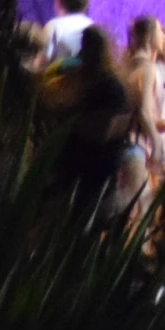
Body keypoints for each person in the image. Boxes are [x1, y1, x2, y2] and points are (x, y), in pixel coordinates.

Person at [49, 24, 134, 217]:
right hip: (76, 176)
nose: (81, 52)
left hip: (94, 179)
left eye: (86, 46)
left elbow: (106, 129)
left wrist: (69, 118)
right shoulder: (88, 81)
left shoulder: (110, 87)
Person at [121, 14, 165, 178]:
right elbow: (144, 111)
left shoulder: (128, 66)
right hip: (139, 148)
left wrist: (159, 123)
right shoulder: (148, 69)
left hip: (128, 144)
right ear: (150, 36)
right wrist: (157, 144)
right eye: (160, 32)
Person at [43, 0, 94, 65]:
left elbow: (43, 60)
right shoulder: (94, 26)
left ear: (59, 1)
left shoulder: (53, 26)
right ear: (86, 4)